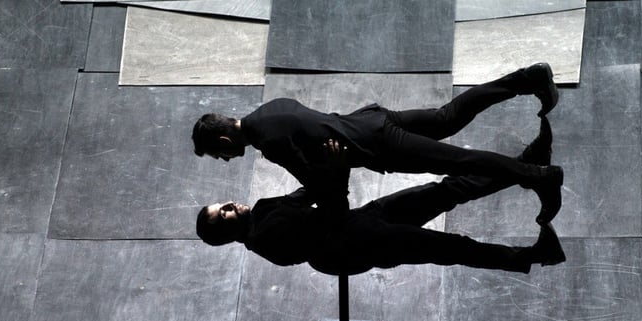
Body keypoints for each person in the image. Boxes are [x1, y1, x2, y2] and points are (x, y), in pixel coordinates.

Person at [192, 64, 563, 223]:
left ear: (225, 139)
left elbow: (322, 184)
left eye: (219, 153)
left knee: (460, 162)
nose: (225, 159)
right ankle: (527, 78)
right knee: (447, 116)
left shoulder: (268, 142)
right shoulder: (268, 110)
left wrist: (324, 181)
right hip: (370, 119)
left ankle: (540, 176)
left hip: (378, 144)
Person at [196, 118, 565, 276]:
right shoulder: (266, 239)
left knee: (445, 190)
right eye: (223, 215)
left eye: (223, 204)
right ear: (226, 234)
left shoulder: (262, 210)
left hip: (364, 221)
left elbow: (305, 192)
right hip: (359, 244)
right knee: (451, 247)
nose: (231, 206)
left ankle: (525, 166)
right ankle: (534, 256)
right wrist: (337, 172)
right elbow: (330, 216)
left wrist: (324, 164)